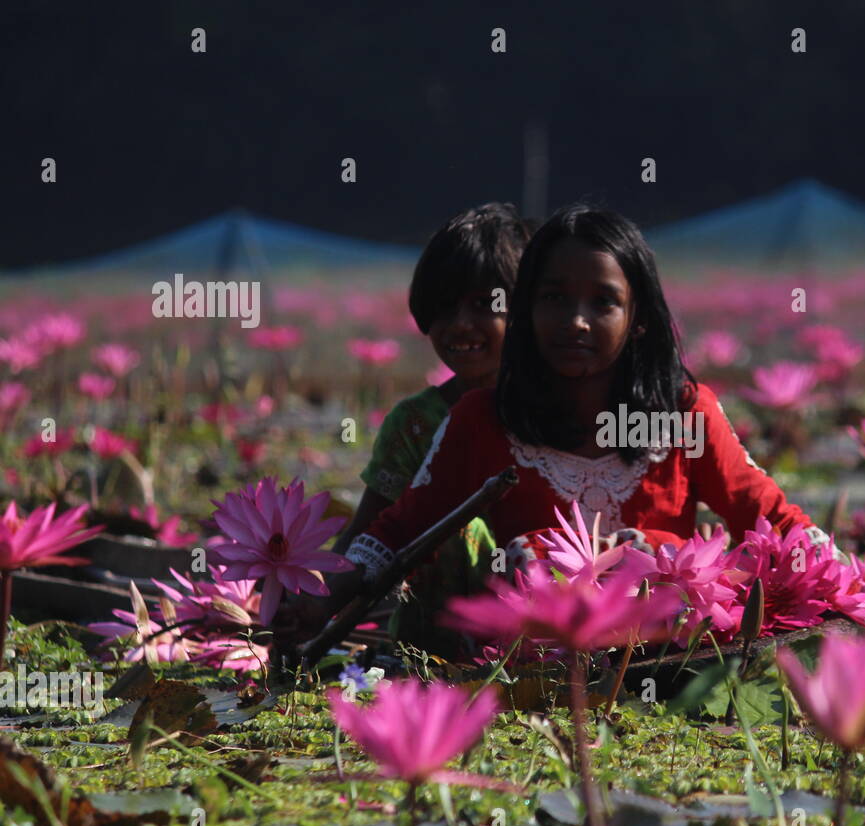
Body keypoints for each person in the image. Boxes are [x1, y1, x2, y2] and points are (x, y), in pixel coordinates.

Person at [285, 203, 830, 652]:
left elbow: (773, 520)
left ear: (638, 317)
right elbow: (397, 532)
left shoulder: (687, 414)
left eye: (603, 302)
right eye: (553, 299)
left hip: (669, 659)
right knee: (528, 557)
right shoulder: (482, 420)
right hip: (535, 669)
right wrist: (319, 603)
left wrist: (844, 594)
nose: (575, 321)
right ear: (526, 310)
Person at [333, 202, 532, 654]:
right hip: (431, 649)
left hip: (540, 643)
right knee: (453, 527)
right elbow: (368, 530)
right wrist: (312, 597)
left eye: (485, 304)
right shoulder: (414, 423)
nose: (460, 324)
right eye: (444, 307)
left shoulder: (555, 410)